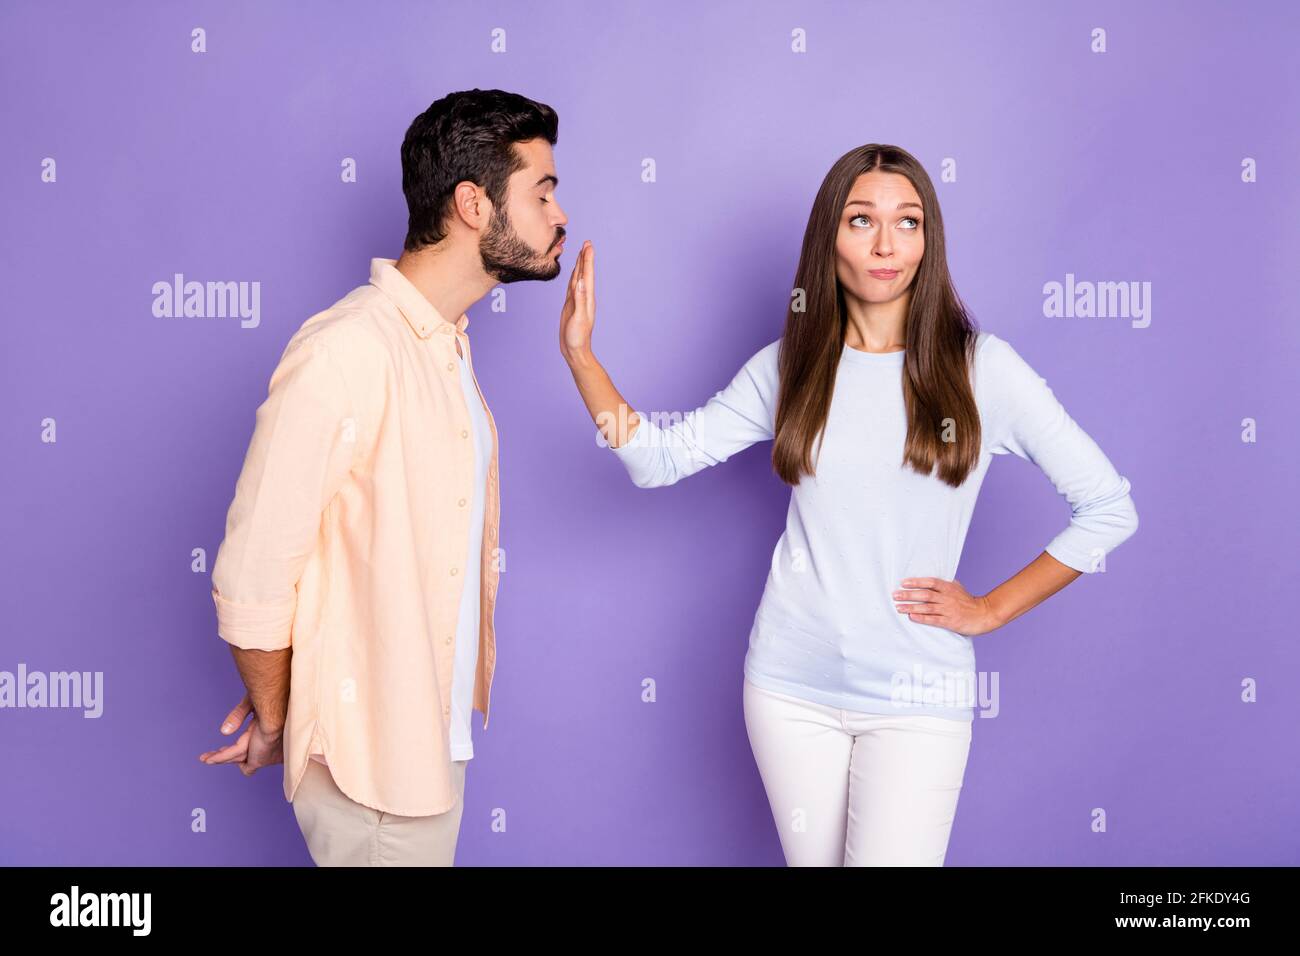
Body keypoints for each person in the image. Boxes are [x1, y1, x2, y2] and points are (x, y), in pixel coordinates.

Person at [558, 143, 1139, 866]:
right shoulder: (791, 368)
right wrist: (583, 358)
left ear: (929, 241)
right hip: (787, 693)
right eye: (862, 220)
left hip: (918, 697)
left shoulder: (984, 370)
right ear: (829, 237)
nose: (888, 244)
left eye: (909, 221)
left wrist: (990, 609)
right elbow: (660, 460)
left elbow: (1109, 507)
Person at [198, 89, 570, 866]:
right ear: (474, 204)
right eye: (543, 190)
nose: (560, 215)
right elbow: (254, 576)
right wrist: (279, 714)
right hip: (373, 776)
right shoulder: (348, 350)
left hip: (425, 750)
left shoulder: (442, 347)